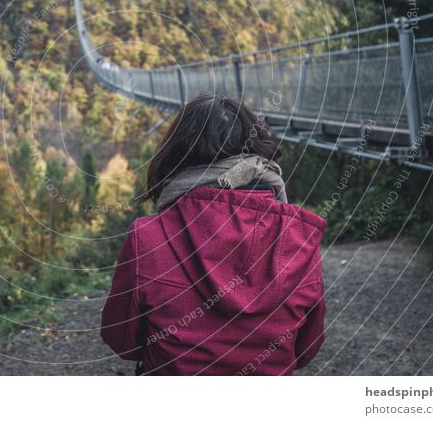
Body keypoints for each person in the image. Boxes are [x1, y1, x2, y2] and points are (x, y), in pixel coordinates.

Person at [100, 94, 326, 375]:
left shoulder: (146, 238)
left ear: (176, 155)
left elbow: (121, 340)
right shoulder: (299, 239)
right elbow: (306, 349)